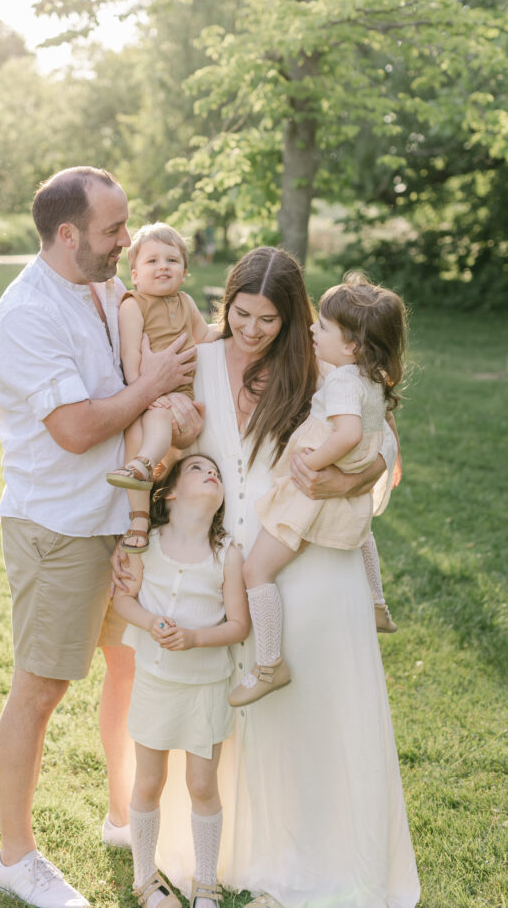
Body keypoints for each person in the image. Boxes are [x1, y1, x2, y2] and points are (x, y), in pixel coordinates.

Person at [117, 247, 420, 908]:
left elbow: (382, 436)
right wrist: (142, 524)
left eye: (268, 319)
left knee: (303, 711)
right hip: (215, 566)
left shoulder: (318, 369)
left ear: (295, 317)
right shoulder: (192, 362)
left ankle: (305, 865)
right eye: (240, 314)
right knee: (215, 717)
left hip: (303, 552)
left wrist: (355, 474)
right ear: (224, 304)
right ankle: (221, 855)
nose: (251, 330)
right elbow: (151, 443)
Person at [0, 166, 202, 908]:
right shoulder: (26, 315)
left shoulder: (107, 287)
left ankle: (121, 816)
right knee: (41, 689)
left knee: (127, 669)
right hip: (59, 526)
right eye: (114, 229)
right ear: (68, 234)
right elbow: (76, 429)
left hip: (121, 520)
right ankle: (17, 859)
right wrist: (155, 385)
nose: (127, 241)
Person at [229, 273, 407, 706]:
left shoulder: (344, 380)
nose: (312, 328)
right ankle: (377, 601)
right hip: (342, 495)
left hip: (308, 495)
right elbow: (380, 428)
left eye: (323, 327)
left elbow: (346, 434)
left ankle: (269, 663)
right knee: (361, 530)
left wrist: (310, 462)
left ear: (351, 346)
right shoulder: (371, 377)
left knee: (256, 572)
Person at [112, 454, 249, 908]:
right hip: (156, 684)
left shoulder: (227, 554)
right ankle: (145, 878)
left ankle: (206, 882)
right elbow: (123, 601)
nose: (211, 473)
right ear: (169, 493)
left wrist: (194, 638)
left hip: (208, 688)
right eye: (196, 468)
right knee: (148, 781)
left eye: (216, 472)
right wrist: (152, 623)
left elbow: (238, 626)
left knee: (202, 786)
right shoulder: (145, 543)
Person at [106, 223, 220, 552]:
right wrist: (147, 391)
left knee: (155, 427)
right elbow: (130, 353)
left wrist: (232, 330)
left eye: (171, 260)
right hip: (144, 391)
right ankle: (139, 507)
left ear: (184, 272)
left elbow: (206, 337)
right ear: (136, 273)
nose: (162, 267)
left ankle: (143, 481)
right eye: (152, 261)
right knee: (143, 427)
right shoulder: (133, 303)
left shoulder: (185, 301)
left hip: (180, 396)